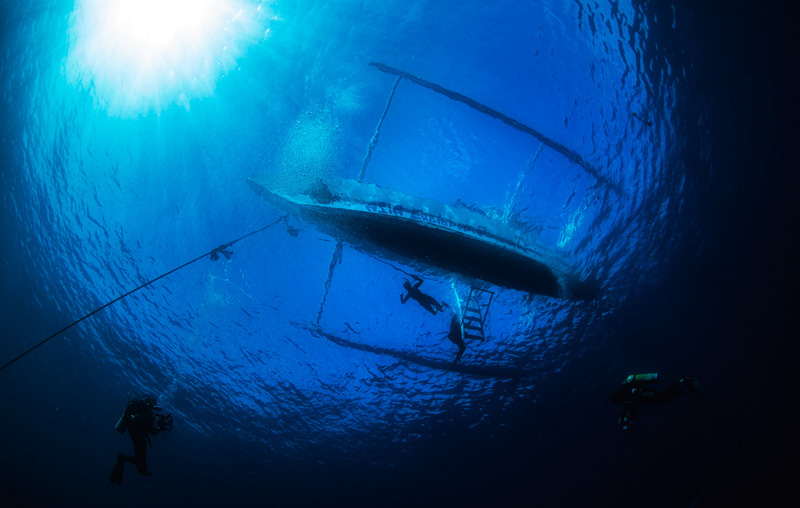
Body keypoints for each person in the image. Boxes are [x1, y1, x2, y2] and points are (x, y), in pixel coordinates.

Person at [109, 393, 173, 486]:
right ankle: (130, 463)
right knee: (140, 455)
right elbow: (151, 430)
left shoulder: (144, 411)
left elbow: (148, 428)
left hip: (135, 433)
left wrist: (159, 426)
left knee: (141, 453)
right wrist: (160, 427)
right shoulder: (145, 412)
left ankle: (138, 466)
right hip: (136, 433)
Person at [610, 373, 702, 432]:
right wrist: (625, 416)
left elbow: (630, 404)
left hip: (645, 394)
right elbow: (631, 405)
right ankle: (684, 384)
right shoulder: (624, 394)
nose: (621, 402)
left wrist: (624, 416)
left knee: (665, 397)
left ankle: (684, 383)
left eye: (619, 401)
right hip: (644, 394)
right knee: (665, 396)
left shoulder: (624, 394)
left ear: (618, 398)